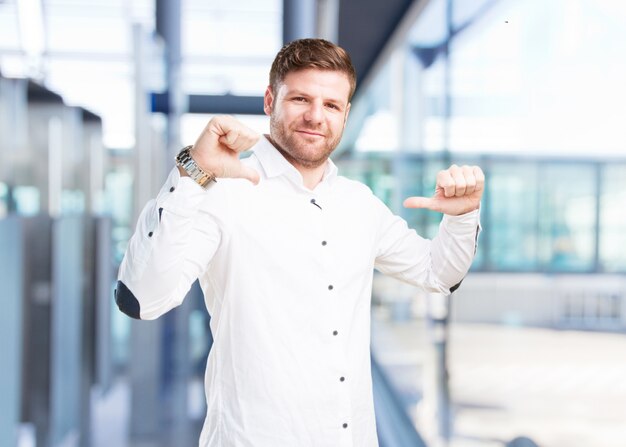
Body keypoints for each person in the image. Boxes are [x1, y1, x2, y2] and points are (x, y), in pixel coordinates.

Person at [116, 38, 483, 447]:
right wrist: (192, 173)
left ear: (345, 114)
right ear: (270, 100)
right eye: (300, 99)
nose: (315, 116)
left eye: (331, 105)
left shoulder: (359, 203)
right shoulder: (221, 192)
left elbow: (439, 273)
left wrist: (462, 216)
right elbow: (142, 299)